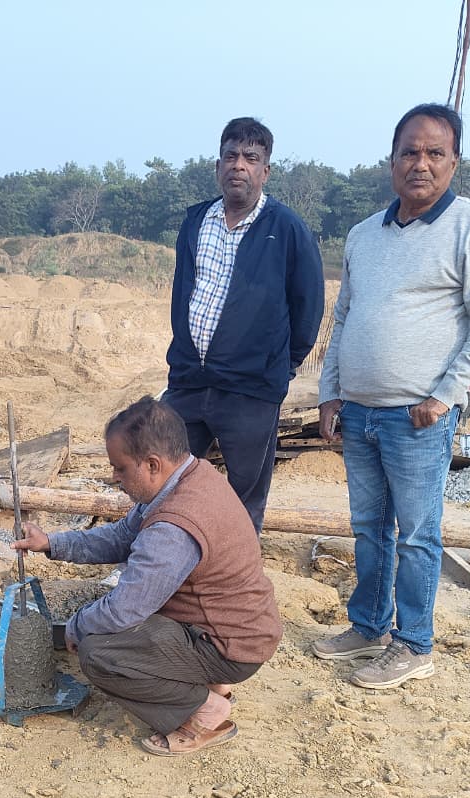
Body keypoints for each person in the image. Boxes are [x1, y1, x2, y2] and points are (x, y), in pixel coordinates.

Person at [314, 103, 470, 689]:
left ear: (454, 162)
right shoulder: (363, 235)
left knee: (419, 535)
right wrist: (330, 394)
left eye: (434, 153)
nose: (420, 164)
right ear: (392, 160)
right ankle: (369, 627)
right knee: (368, 527)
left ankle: (414, 644)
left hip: (419, 417)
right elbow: (345, 317)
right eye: (410, 152)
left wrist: (446, 394)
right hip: (360, 413)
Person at [13, 396, 282, 755]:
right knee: (111, 623)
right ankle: (211, 684)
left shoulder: (174, 526)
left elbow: (124, 610)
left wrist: (77, 627)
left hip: (229, 646)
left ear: (153, 464)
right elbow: (122, 537)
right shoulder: (190, 477)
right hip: (233, 628)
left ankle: (203, 712)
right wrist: (52, 543)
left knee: (99, 653)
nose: (115, 477)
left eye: (121, 468)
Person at [163, 117, 324, 534]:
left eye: (251, 158)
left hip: (250, 391)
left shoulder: (286, 229)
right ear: (217, 166)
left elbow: (308, 309)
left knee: (243, 500)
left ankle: (235, 572)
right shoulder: (196, 222)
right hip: (188, 382)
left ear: (265, 171)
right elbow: (184, 293)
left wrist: (277, 368)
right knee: (165, 484)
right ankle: (166, 563)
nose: (239, 165)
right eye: (231, 156)